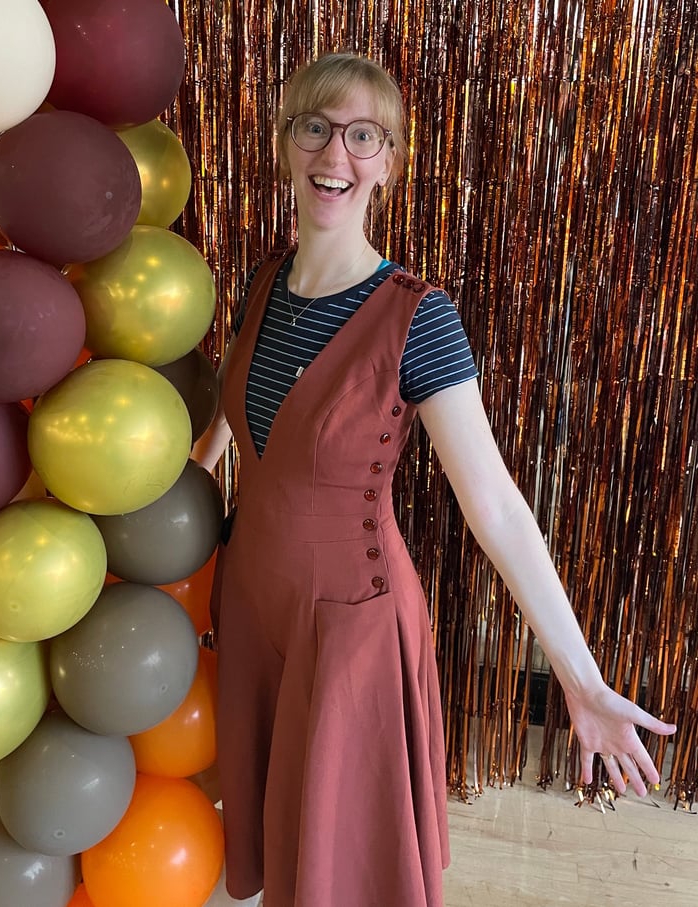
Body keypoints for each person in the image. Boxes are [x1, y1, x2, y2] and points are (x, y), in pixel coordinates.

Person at [192, 52, 677, 907]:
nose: (334, 154)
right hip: (252, 610)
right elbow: (236, 422)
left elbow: (495, 505)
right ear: (284, 143)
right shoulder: (264, 283)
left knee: (343, 871)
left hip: (349, 633)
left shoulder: (420, 316)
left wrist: (579, 675)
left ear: (390, 163)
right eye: (314, 126)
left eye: (363, 136)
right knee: (285, 854)